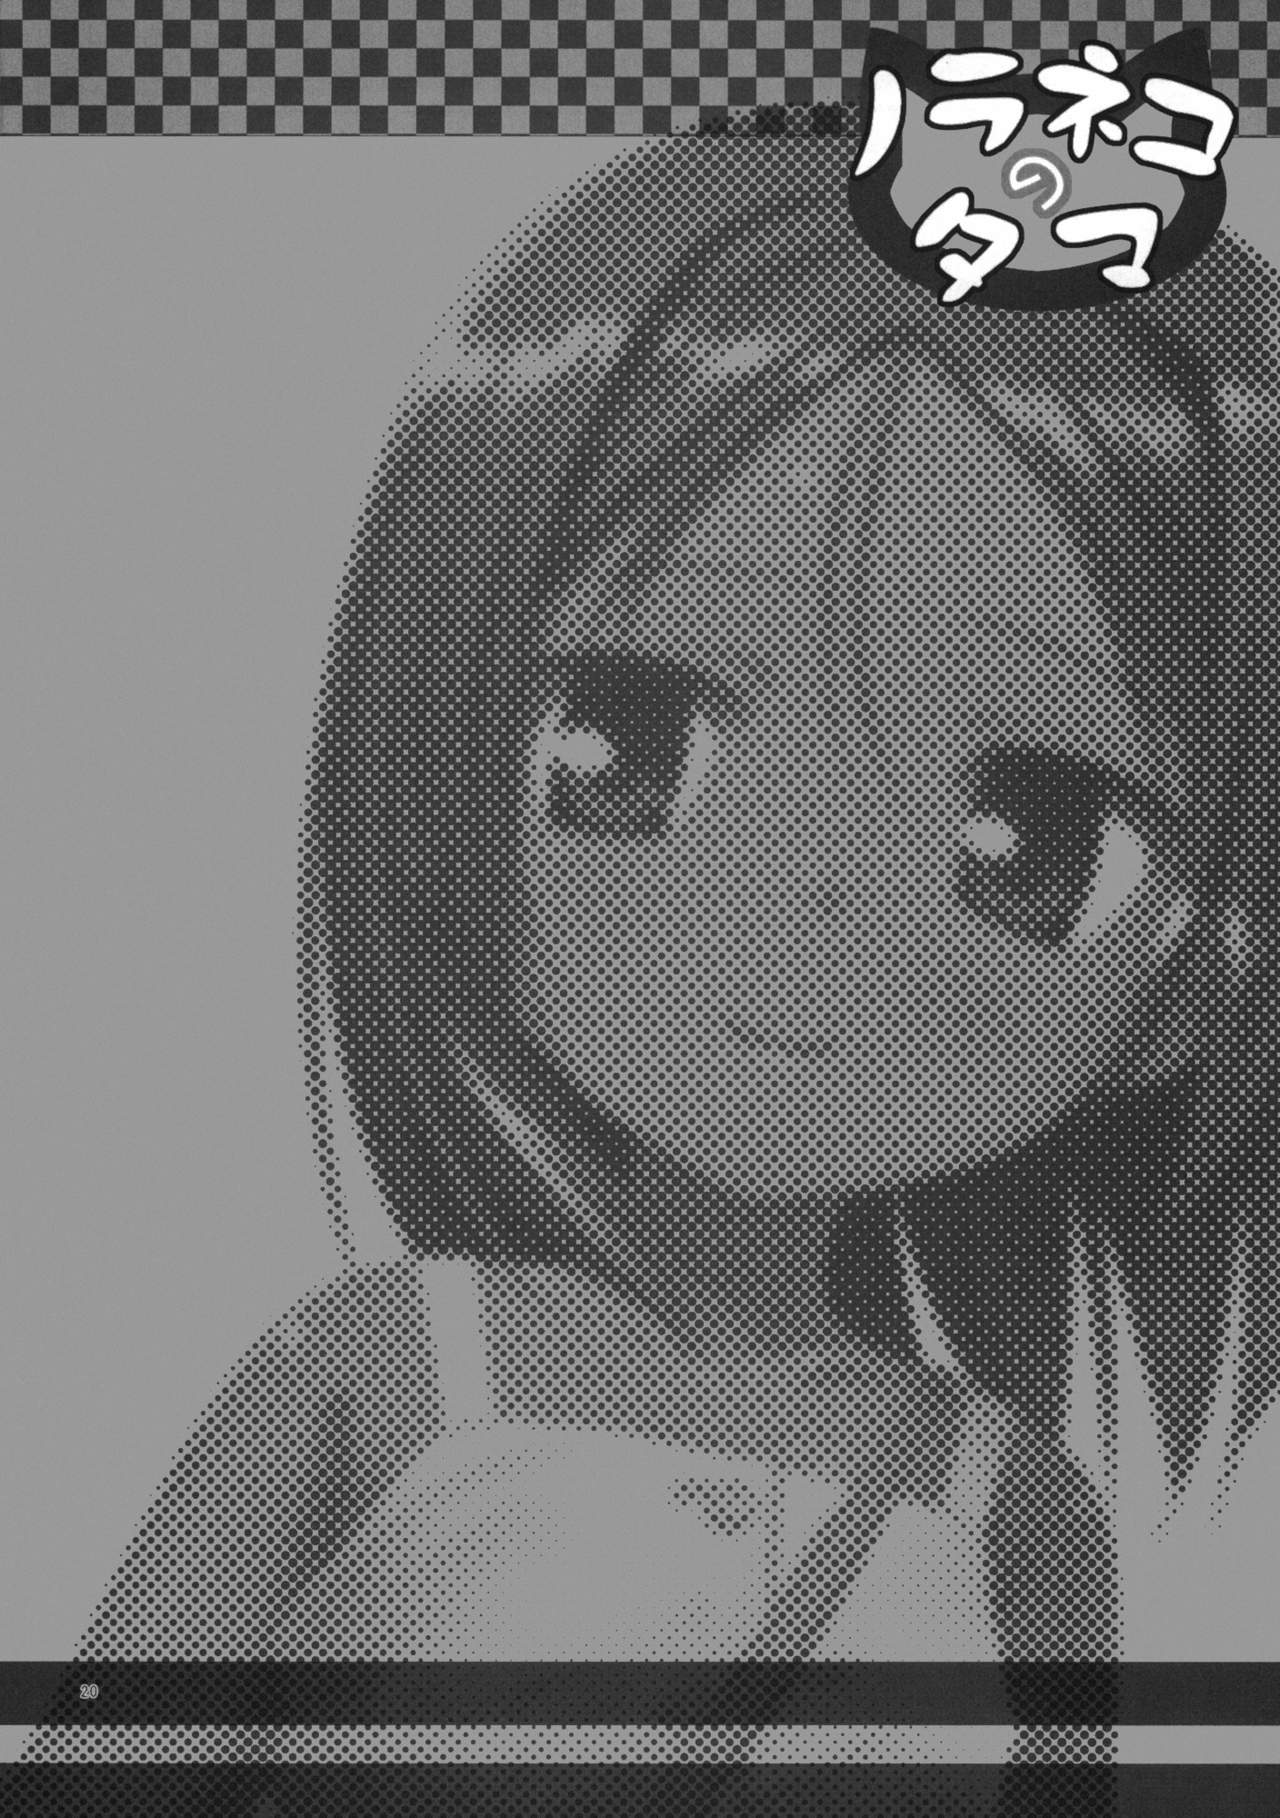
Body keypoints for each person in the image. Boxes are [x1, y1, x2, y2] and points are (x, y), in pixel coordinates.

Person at [18, 114, 1280, 1818]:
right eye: (629, 740)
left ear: (1191, 986)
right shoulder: (382, 1370)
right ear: (437, 752)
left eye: (1034, 841)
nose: (818, 891)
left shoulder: (1017, 1511)